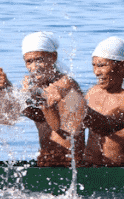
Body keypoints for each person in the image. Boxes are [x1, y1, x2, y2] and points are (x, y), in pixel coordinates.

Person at [18, 32, 86, 167]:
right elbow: (38, 117)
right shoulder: (36, 86)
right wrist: (21, 96)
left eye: (39, 60)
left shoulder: (68, 85)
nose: (34, 67)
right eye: (29, 62)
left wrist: (39, 99)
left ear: (53, 57)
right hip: (46, 161)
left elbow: (64, 130)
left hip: (71, 163)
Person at [82, 37, 124, 167]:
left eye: (101, 65)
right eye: (94, 65)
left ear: (122, 66)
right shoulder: (92, 92)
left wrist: (75, 104)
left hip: (118, 170)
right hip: (89, 167)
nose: (96, 72)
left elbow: (106, 126)